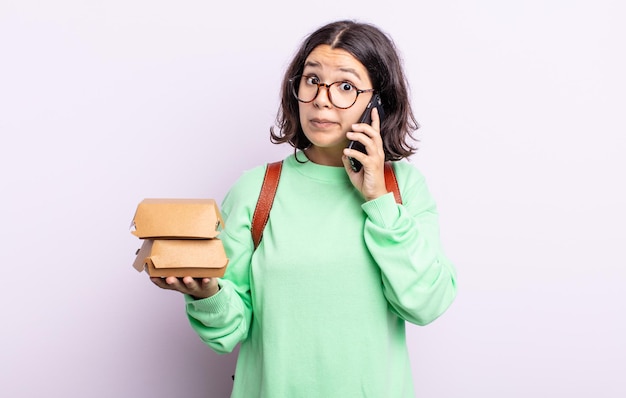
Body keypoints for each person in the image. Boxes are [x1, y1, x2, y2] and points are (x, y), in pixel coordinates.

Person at [151, 19, 457, 398]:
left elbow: (426, 303)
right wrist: (206, 293)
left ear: (378, 102)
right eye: (311, 80)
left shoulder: (404, 189)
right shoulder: (257, 189)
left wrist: (379, 201)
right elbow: (229, 330)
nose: (322, 98)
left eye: (346, 86)